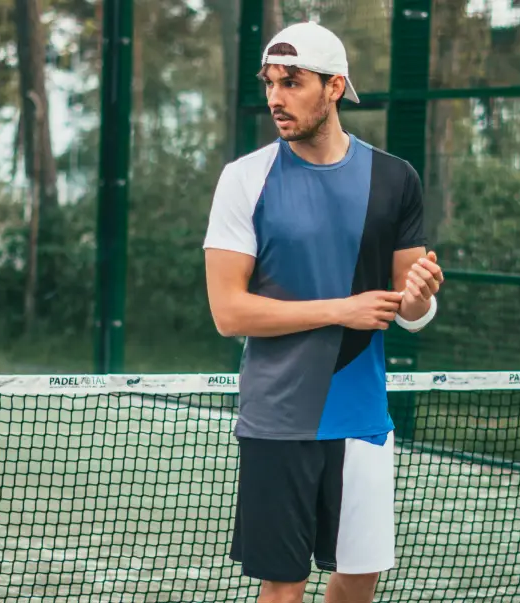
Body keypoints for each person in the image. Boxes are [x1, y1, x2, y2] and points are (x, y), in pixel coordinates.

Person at [203, 20, 444, 604]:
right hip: (278, 419)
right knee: (283, 586)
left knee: (360, 575)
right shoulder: (244, 180)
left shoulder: (394, 178)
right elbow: (229, 312)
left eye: (292, 82)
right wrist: (343, 309)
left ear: (335, 88)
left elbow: (409, 306)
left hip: (362, 416)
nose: (276, 98)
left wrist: (419, 298)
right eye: (270, 83)